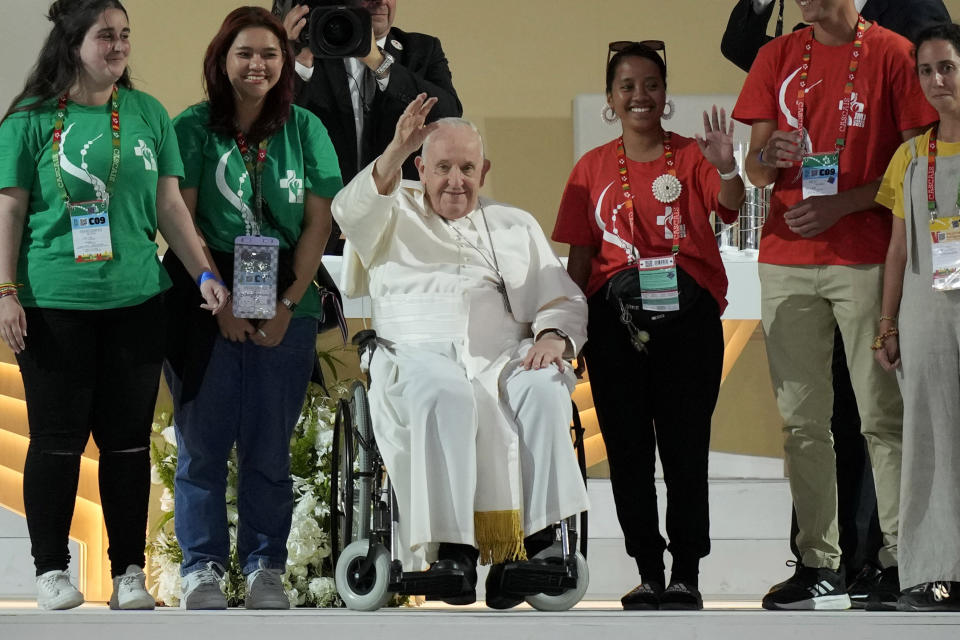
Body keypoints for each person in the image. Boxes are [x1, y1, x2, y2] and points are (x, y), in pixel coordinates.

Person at [0, 0, 228, 611]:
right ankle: (50, 569)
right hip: (53, 303)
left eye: (125, 35)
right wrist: (4, 292)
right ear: (73, 43)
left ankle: (129, 570)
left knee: (128, 442)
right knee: (56, 439)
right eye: (106, 36)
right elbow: (11, 211)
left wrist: (202, 270)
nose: (119, 46)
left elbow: (171, 209)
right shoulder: (28, 119)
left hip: (136, 300)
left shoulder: (148, 113)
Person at [722, 0, 952, 605]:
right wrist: (767, 158)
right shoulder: (776, 54)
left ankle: (909, 559)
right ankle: (818, 563)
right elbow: (756, 166)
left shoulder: (893, 54)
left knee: (882, 417)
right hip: (785, 257)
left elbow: (911, 164)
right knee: (802, 422)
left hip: (865, 256)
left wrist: (843, 204)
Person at [332, 94, 590, 609]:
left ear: (485, 170)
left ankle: (535, 548)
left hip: (504, 357)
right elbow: (348, 210)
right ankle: (454, 553)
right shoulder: (390, 209)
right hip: (414, 353)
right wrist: (393, 151)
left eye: (467, 168)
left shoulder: (514, 224)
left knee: (544, 388)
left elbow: (559, 295)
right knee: (447, 393)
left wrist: (552, 337)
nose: (455, 180)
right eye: (442, 167)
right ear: (419, 168)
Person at [552, 42, 745, 611]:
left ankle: (686, 573)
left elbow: (729, 202)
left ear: (666, 94)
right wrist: (573, 330)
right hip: (614, 327)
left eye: (652, 84)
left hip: (689, 324)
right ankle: (648, 572)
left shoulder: (691, 156)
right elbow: (580, 261)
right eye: (627, 86)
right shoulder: (590, 168)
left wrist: (727, 163)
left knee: (686, 449)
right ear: (611, 99)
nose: (641, 95)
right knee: (628, 450)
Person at [163, 6, 341, 610]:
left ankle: (266, 565)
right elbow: (180, 218)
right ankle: (202, 568)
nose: (257, 64)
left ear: (284, 61)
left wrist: (290, 300)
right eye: (244, 53)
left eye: (269, 53)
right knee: (203, 443)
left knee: (268, 445)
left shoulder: (306, 128)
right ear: (222, 59)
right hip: (203, 292)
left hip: (289, 294)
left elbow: (320, 221)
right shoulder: (189, 127)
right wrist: (220, 299)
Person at [874, 22, 960, 612]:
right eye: (926, 70)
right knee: (931, 440)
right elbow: (898, 248)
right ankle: (936, 571)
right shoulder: (911, 154)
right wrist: (887, 324)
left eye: (947, 67)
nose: (936, 81)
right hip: (927, 313)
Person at [278, 0, 462, 254]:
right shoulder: (313, 49)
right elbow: (274, 121)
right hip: (321, 228)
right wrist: (291, 59)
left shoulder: (422, 50)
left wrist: (379, 62)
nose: (380, 1)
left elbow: (448, 116)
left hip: (401, 231)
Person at [721, 0, 952, 73]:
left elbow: (935, 85)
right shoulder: (815, 34)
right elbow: (741, 49)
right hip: (823, 175)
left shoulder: (916, 6)